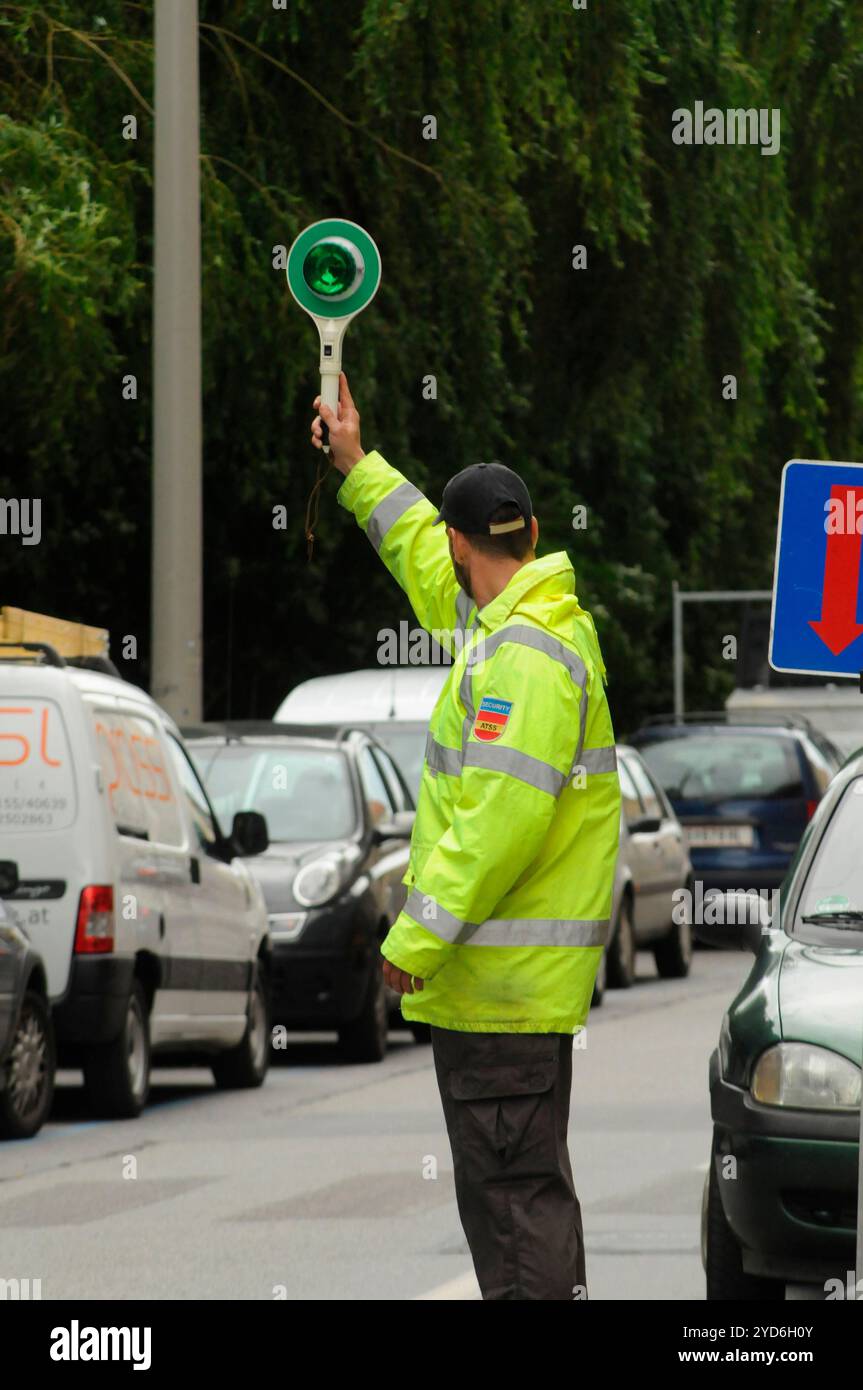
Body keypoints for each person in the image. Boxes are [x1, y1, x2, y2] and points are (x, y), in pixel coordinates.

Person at [311, 373, 621, 1300]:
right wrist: (354, 462)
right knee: (515, 1208)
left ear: (466, 545)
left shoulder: (518, 659)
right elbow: (417, 545)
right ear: (523, 537)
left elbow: (496, 825)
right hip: (508, 996)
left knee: (516, 1215)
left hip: (499, 997)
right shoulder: (513, 625)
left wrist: (413, 939)